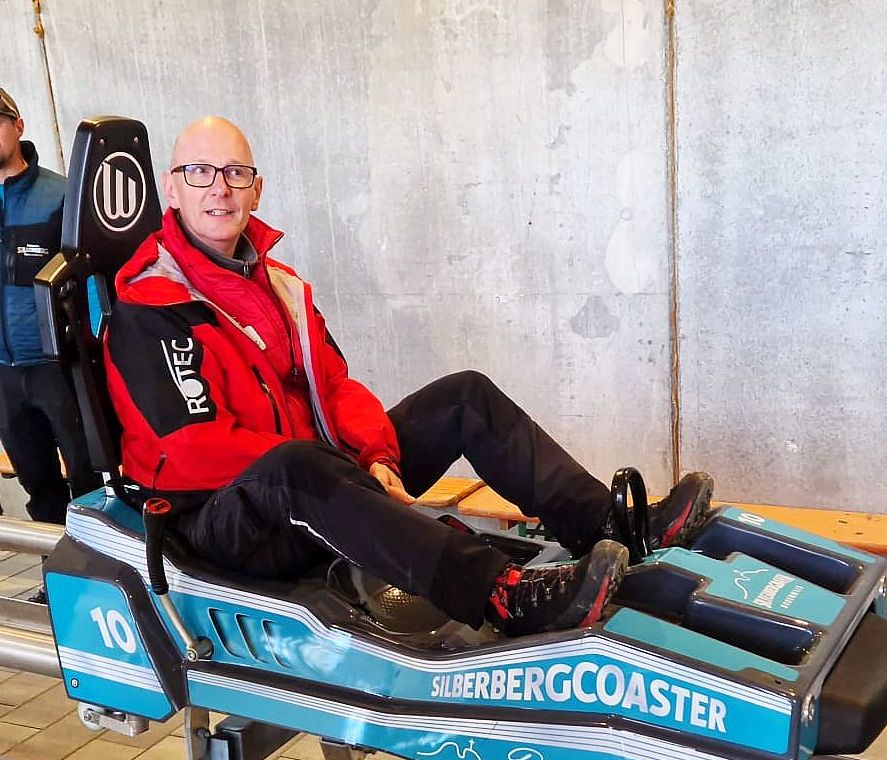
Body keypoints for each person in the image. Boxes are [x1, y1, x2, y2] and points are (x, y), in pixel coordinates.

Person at [104, 116, 712, 637]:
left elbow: (334, 387)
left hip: (319, 486)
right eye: (200, 173)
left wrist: (376, 456)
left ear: (256, 189)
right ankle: (502, 594)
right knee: (295, 466)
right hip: (220, 522)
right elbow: (188, 451)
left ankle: (613, 529)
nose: (220, 188)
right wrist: (340, 475)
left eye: (236, 173)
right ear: (172, 190)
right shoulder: (151, 306)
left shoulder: (279, 286)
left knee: (463, 397)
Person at [0, 87, 102, 523]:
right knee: (37, 481)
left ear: (18, 125)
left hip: (59, 368)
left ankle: (98, 573)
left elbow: (93, 281)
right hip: (4, 376)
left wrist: (95, 349)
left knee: (88, 476)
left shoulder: (62, 196)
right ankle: (56, 583)